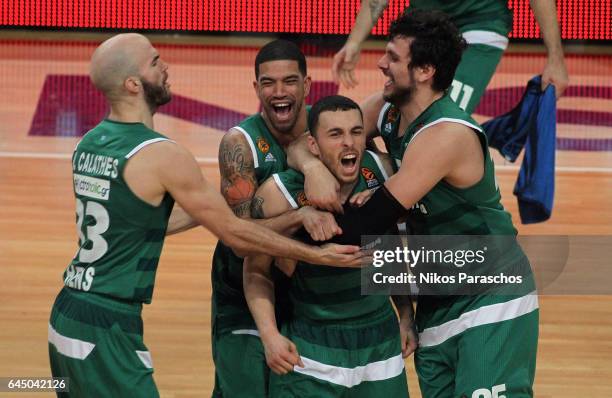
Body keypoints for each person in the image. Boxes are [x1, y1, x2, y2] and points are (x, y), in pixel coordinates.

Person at [47, 33, 362, 398]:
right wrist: (315, 252)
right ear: (133, 84)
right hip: (107, 324)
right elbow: (235, 235)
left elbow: (143, 224)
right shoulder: (163, 154)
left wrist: (215, 205)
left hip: (69, 312)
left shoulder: (87, 145)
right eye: (155, 61)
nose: (165, 66)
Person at [290, 10, 539, 397]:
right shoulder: (386, 111)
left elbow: (368, 224)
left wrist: (267, 236)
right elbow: (309, 139)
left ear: (423, 71)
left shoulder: (446, 135)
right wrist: (311, 166)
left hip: (490, 295)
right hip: (436, 300)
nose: (381, 63)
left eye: (392, 57)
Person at [244, 95, 415, 397]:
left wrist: (404, 314)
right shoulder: (280, 192)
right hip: (311, 345)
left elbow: (391, 248)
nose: (349, 143)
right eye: (335, 134)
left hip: (381, 343)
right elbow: (255, 269)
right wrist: (270, 335)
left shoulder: (384, 174)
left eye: (356, 132)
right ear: (313, 144)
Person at [210, 40, 347, 398]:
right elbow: (239, 240)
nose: (279, 91)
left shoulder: (330, 127)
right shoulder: (239, 144)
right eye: (268, 83)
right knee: (245, 388)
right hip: (242, 287)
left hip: (307, 293)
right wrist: (299, 215)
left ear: (307, 85)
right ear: (256, 87)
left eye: (289, 81)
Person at [332, 0, 568, 113]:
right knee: (399, 106)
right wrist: (353, 42)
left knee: (443, 113)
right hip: (423, 21)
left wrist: (555, 59)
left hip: (481, 21)